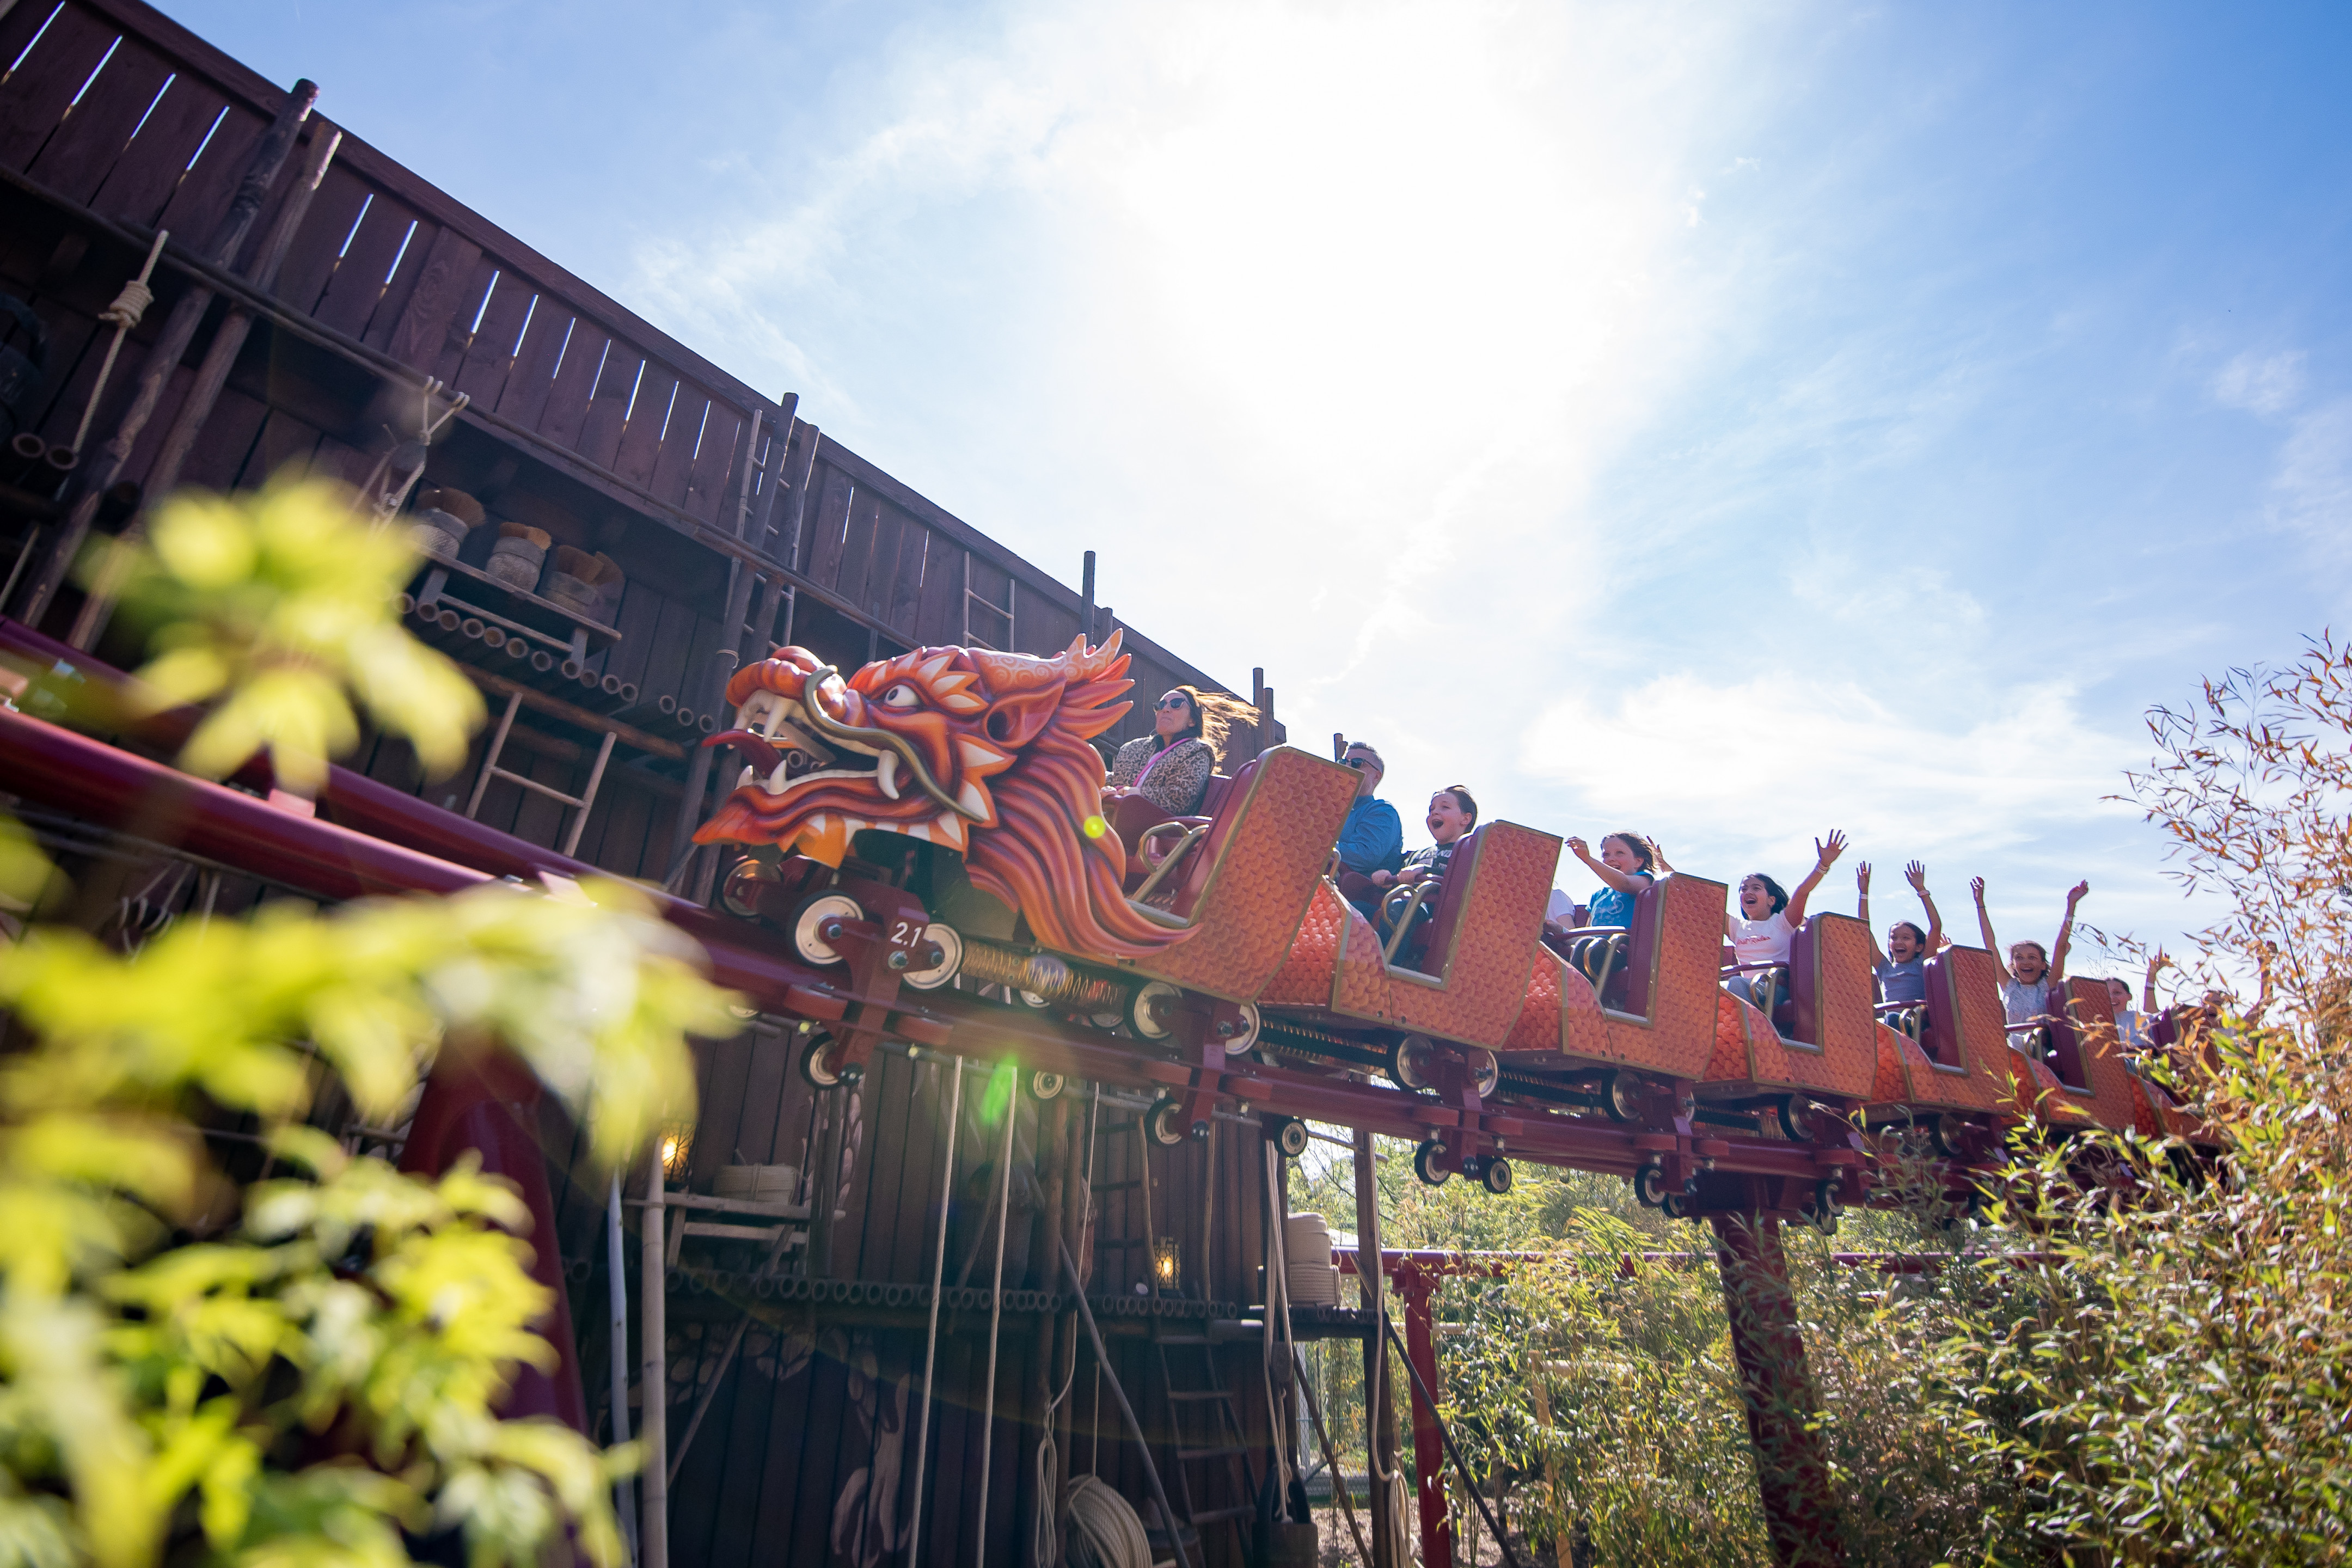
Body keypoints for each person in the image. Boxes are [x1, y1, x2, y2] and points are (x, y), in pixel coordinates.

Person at [1724, 831, 1848, 1009]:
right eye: (1743, 889)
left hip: (1775, 990)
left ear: (1771, 900)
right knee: (1722, 988)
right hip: (1748, 991)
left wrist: (1823, 864)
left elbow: (1802, 892)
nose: (1748, 892)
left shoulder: (1782, 922)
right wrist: (1668, 871)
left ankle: (1752, 1029)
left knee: (1735, 983)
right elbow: (1700, 904)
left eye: (1756, 888)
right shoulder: (1737, 927)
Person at [1971, 875, 2088, 1038]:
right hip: (2015, 1052)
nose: (2025, 962)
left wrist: (2071, 906)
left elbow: (2061, 947)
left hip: (2041, 1049)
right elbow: (1990, 945)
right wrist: (1980, 905)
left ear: (2042, 965)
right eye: (2019, 958)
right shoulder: (2010, 986)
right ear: (2013, 964)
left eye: (2032, 957)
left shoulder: (2048, 986)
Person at [1365, 786, 1476, 948]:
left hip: (1434, 909)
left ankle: (1386, 966)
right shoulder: (1418, 855)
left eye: (1444, 807)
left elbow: (1459, 880)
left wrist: (1425, 871)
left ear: (1465, 819)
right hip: (1400, 900)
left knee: (1400, 909)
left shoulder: (1467, 854)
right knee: (1356, 909)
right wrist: (1386, 876)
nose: (1435, 812)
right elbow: (1400, 873)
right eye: (1432, 809)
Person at [1105, 687, 1219, 816]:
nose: (1165, 709)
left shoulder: (1198, 753)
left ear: (1192, 720)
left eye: (1176, 704)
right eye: (1161, 705)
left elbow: (1179, 800)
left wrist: (1137, 794)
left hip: (1156, 831)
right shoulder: (1132, 749)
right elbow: (1114, 780)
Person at [1858, 860, 1944, 1006]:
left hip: (1915, 1022)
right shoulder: (1884, 967)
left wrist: (1921, 890)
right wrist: (1863, 893)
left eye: (1906, 938)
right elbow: (1864, 931)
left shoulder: (1921, 964)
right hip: (1890, 1022)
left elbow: (1936, 926)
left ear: (1918, 947)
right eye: (1894, 938)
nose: (1899, 942)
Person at [1562, 832, 1657, 932]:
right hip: (1595, 946)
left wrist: (1588, 860)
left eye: (1620, 853)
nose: (1611, 859)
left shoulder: (1645, 880)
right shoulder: (1598, 896)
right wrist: (1561, 930)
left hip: (1622, 944)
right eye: (1606, 855)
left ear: (1638, 861)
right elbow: (1587, 935)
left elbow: (1624, 884)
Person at [2107, 948, 2169, 1054]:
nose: (2111, 997)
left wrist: (2151, 977)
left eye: (2117, 993)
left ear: (2129, 997)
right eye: (2106, 994)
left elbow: (2154, 1016)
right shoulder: (2094, 1023)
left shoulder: (2138, 1020)